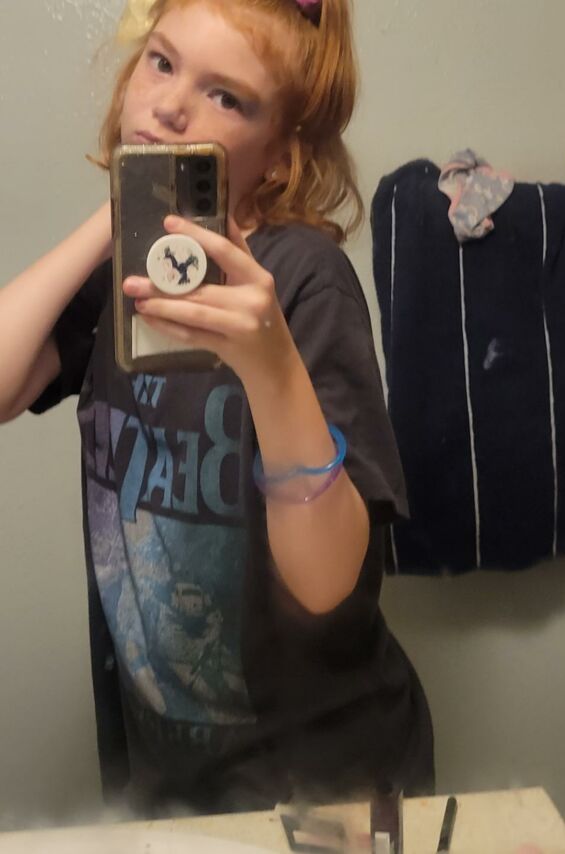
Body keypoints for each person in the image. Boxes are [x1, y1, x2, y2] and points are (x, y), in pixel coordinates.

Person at [0, 0, 434, 818]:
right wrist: (122, 210)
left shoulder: (303, 279)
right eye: (161, 62)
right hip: (170, 782)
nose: (169, 105)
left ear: (279, 154)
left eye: (226, 97)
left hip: (326, 784)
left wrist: (271, 364)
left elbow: (327, 586)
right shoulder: (125, 271)